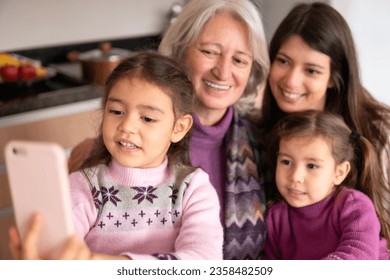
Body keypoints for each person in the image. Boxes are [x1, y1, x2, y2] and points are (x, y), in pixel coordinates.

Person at [68, 0, 270, 260]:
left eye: (240, 60)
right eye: (210, 51)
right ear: (180, 50)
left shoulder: (262, 144)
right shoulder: (113, 152)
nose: (223, 71)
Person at [9, 52, 223, 260]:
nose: (127, 126)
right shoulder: (83, 187)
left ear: (179, 127)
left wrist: (96, 263)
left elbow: (203, 260)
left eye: (147, 118)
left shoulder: (193, 188)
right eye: (116, 112)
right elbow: (58, 254)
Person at [259, 2, 390, 248]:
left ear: (334, 79)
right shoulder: (257, 129)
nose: (291, 80)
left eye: (311, 70)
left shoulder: (380, 133)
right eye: (283, 61)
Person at [263, 110, 389, 260]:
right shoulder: (275, 217)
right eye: (286, 162)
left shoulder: (353, 206)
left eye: (311, 166)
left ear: (339, 173)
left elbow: (360, 257)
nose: (295, 176)